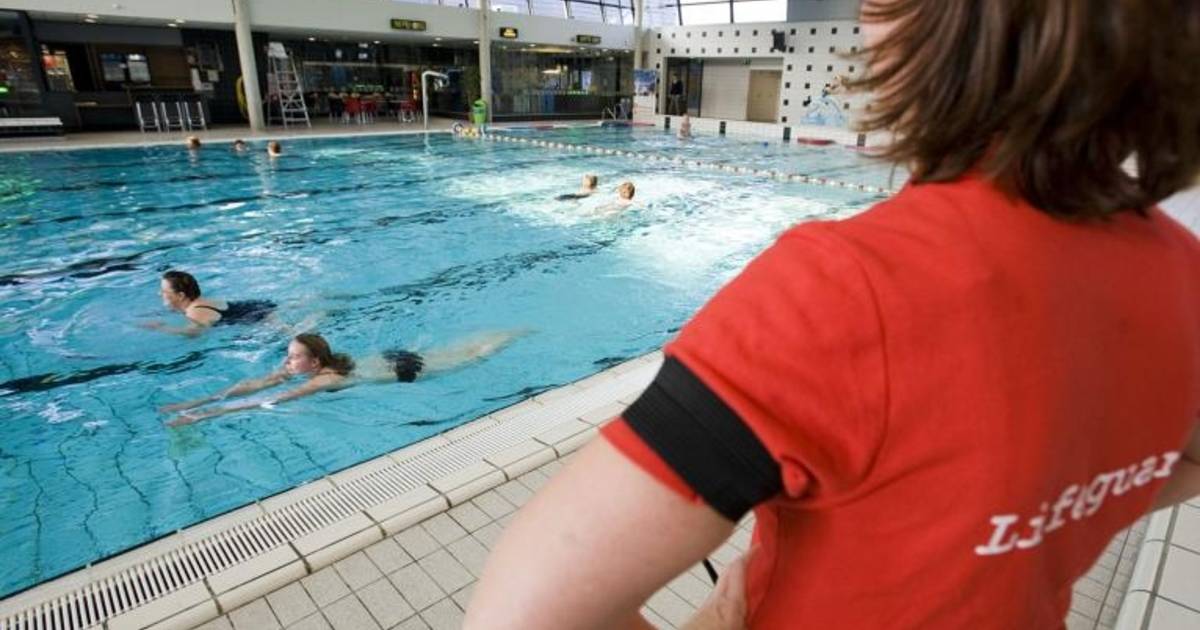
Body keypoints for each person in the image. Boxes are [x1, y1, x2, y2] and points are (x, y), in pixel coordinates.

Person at [465, 1, 1200, 629]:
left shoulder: (849, 290)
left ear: (940, 28)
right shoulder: (1182, 271)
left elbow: (517, 617)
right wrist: (1056, 514)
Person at [161, 330, 526, 426]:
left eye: (293, 357)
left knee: (473, 354)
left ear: (314, 362)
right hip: (387, 358)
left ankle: (519, 333)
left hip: (407, 369)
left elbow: (270, 400)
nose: (286, 362)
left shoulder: (324, 379)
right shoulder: (303, 367)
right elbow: (256, 385)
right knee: (459, 346)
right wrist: (200, 401)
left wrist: (207, 416)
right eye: (288, 355)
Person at [141, 270, 276, 336]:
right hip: (259, 307)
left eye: (164, 291)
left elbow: (194, 333)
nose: (159, 294)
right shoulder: (197, 303)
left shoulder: (195, 311)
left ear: (181, 295)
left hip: (264, 317)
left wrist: (161, 328)